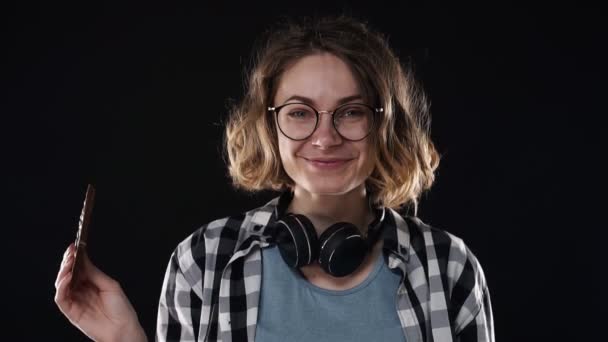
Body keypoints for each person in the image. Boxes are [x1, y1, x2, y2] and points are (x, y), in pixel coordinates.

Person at [55, 15, 494, 342]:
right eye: (300, 113)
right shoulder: (203, 262)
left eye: (352, 112)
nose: (325, 137)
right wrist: (123, 339)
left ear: (384, 125)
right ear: (268, 126)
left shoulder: (448, 266)